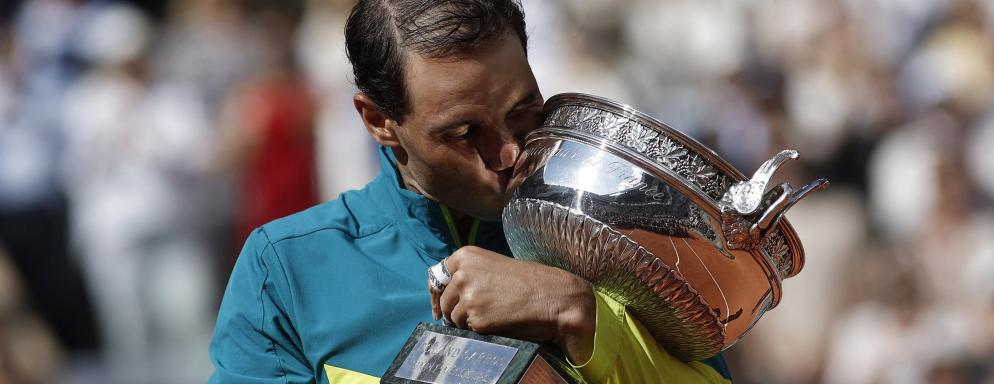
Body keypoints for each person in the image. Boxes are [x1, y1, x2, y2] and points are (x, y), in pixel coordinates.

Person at [209, 1, 733, 383]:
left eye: (523, 110)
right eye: (463, 133)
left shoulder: (622, 239)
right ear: (378, 121)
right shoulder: (287, 269)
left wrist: (578, 312)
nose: (508, 153)